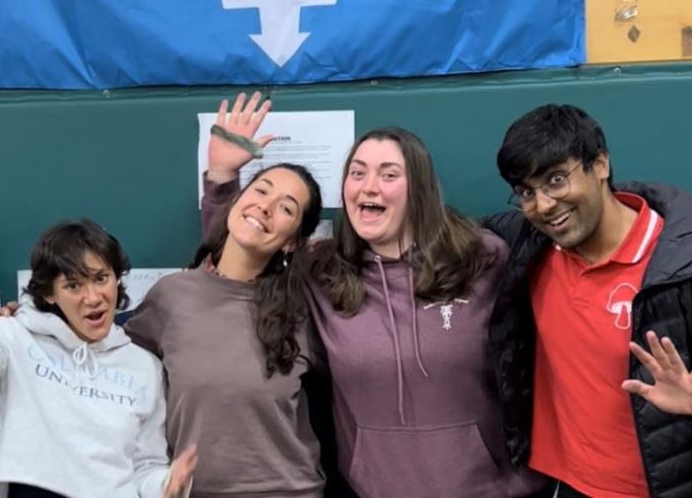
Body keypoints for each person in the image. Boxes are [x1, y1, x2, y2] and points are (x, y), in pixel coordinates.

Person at [200, 94, 546, 498]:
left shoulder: (482, 257)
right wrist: (222, 178)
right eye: (357, 173)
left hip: (494, 491)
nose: (369, 186)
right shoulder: (321, 273)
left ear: (417, 189)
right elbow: (239, 258)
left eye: (388, 174)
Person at [489, 103, 692, 498]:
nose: (543, 205)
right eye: (527, 192)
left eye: (557, 180)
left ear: (599, 164)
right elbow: (445, 233)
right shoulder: (530, 244)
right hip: (564, 486)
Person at [0, 177, 196, 498]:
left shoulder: (143, 366)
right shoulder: (12, 337)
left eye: (101, 278)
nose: (93, 297)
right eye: (73, 285)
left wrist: (168, 486)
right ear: (50, 294)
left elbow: (145, 466)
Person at [125, 154, 326, 498]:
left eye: (286, 208)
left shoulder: (304, 311)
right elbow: (103, 363)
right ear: (237, 199)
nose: (265, 207)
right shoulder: (171, 297)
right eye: (261, 191)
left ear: (292, 241)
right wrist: (26, 322)